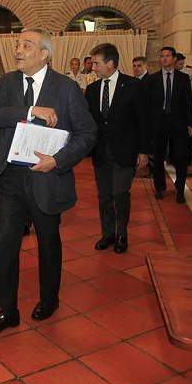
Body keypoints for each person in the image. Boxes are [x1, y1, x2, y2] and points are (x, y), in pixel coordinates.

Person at [0, 28, 96, 335]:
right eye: (17, 44)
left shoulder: (67, 88)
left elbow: (87, 134)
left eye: (26, 45)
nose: (18, 49)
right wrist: (30, 111)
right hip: (10, 180)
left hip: (47, 177)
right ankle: (7, 310)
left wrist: (58, 161)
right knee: (5, 244)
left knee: (48, 242)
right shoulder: (7, 82)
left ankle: (49, 299)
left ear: (44, 53)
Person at [85, 44, 149, 255]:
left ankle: (122, 234)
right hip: (101, 153)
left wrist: (143, 151)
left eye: (96, 63)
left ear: (110, 64)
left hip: (125, 152)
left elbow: (143, 121)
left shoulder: (133, 86)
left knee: (120, 195)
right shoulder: (93, 90)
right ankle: (108, 234)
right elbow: (90, 122)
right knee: (104, 197)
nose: (93, 66)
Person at [144, 46, 192, 203]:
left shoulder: (183, 79)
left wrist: (191, 124)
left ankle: (180, 190)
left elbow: (188, 103)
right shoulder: (152, 79)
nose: (164, 58)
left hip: (178, 123)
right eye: (161, 56)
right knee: (158, 158)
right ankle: (160, 188)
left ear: (174, 59)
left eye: (167, 56)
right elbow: (148, 105)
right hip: (158, 124)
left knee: (181, 157)